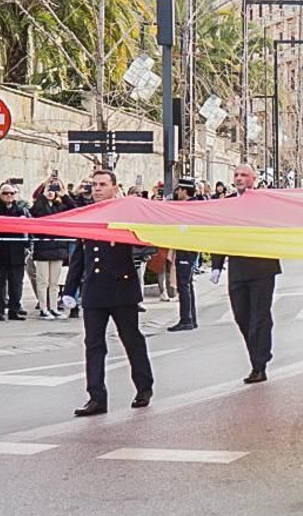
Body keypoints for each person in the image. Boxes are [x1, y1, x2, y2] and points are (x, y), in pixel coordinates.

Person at [61, 170, 155, 417]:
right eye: (94, 185)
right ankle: (96, 397)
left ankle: (144, 387)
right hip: (94, 289)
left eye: (102, 184)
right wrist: (70, 289)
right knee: (93, 344)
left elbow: (145, 243)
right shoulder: (88, 216)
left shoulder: (125, 215)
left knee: (131, 339)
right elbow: (79, 256)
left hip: (121, 288)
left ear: (115, 187)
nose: (97, 189)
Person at [211, 164, 281, 383]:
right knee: (241, 317)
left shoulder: (265, 202)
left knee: (259, 317)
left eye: (244, 175)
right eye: (236, 175)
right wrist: (216, 265)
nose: (239, 178)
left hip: (262, 268)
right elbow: (220, 234)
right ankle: (259, 354)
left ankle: (259, 364)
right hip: (238, 270)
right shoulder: (228, 203)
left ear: (253, 178)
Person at [30, 177, 73, 318]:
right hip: (43, 247)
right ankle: (44, 308)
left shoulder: (59, 207)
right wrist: (42, 196)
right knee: (43, 281)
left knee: (54, 282)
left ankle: (54, 307)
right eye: (48, 189)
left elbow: (74, 209)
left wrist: (64, 195)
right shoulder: (39, 205)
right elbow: (35, 212)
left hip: (58, 247)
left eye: (53, 190)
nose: (51, 192)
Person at [0, 184, 30, 321]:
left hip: (17, 252)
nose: (9, 195)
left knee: (16, 284)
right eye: (5, 193)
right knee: (0, 284)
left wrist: (28, 246)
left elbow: (28, 230)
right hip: (0, 252)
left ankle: (14, 309)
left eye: (12, 193)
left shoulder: (21, 210)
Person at [168, 180, 200, 332]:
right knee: (187, 284)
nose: (176, 192)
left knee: (184, 285)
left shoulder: (190, 208)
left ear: (184, 190)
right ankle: (191, 318)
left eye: (179, 190)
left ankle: (186, 319)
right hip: (188, 248)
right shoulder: (193, 205)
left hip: (186, 248)